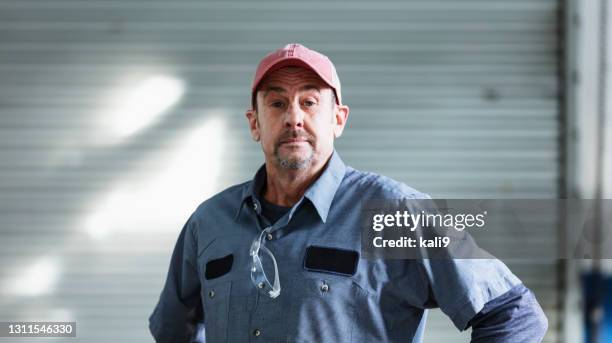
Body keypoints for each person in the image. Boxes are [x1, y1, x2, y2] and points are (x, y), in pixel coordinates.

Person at [149, 43, 548, 342]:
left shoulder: (393, 212)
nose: (294, 117)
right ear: (254, 123)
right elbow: (173, 329)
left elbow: (513, 312)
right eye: (276, 103)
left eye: (309, 101)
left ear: (338, 119)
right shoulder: (210, 222)